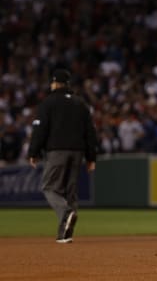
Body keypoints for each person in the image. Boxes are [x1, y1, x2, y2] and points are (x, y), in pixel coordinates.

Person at [28, 69, 97, 243]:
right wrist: (91, 157)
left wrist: (33, 152)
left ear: (56, 83)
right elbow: (90, 132)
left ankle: (66, 213)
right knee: (70, 191)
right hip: (77, 152)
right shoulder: (80, 103)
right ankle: (65, 233)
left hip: (57, 151)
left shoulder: (48, 103)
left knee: (50, 187)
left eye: (52, 82)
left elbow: (39, 129)